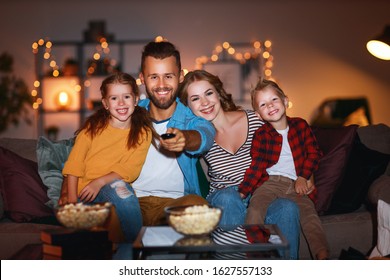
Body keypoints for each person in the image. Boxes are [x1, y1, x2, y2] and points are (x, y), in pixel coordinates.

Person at [179, 69, 300, 259]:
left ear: (218, 93)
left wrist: (306, 176)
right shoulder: (199, 136)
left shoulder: (254, 119)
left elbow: (292, 143)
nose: (204, 103)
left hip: (260, 196)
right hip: (223, 199)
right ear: (188, 106)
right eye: (195, 98)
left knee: (287, 208)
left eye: (208, 93)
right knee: (229, 197)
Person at [238, 78, 329, 260]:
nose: (270, 106)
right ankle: (258, 254)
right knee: (254, 209)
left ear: (285, 101)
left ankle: (323, 255)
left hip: (297, 184)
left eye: (274, 100)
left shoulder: (301, 126)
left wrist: (303, 177)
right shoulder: (261, 135)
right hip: (270, 183)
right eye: (263, 104)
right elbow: (257, 165)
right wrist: (243, 191)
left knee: (310, 217)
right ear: (259, 115)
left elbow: (314, 153)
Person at [60, 72, 157, 242]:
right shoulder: (92, 129)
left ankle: (137, 250)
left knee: (124, 195)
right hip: (83, 192)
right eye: (114, 98)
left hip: (110, 185)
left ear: (135, 100)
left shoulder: (143, 132)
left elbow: (130, 169)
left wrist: (99, 182)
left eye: (126, 96)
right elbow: (74, 164)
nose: (121, 103)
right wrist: (72, 202)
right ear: (105, 103)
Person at [132, 41, 215, 226]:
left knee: (198, 207)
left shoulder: (190, 118)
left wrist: (185, 139)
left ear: (180, 77)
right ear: (142, 79)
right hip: (131, 204)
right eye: (154, 77)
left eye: (168, 76)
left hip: (176, 204)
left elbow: (205, 135)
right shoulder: (130, 116)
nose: (161, 85)